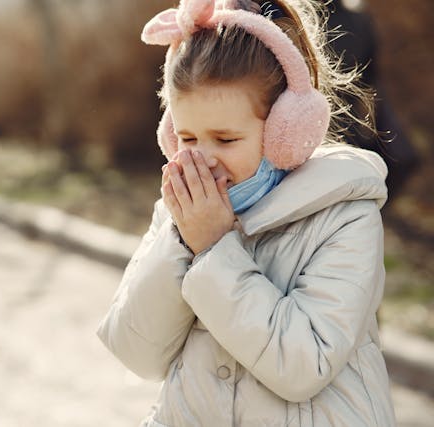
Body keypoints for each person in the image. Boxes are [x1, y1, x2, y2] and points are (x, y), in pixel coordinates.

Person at [96, 0, 396, 426]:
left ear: (284, 131)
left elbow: (302, 365)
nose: (205, 159)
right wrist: (182, 241)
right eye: (187, 137)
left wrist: (216, 249)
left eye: (225, 138)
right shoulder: (179, 214)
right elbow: (136, 351)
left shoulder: (345, 215)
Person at [325, 0, 419, 203]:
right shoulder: (293, 15)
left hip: (346, 122)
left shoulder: (359, 21)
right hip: (322, 125)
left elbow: (371, 78)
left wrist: (375, 121)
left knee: (401, 158)